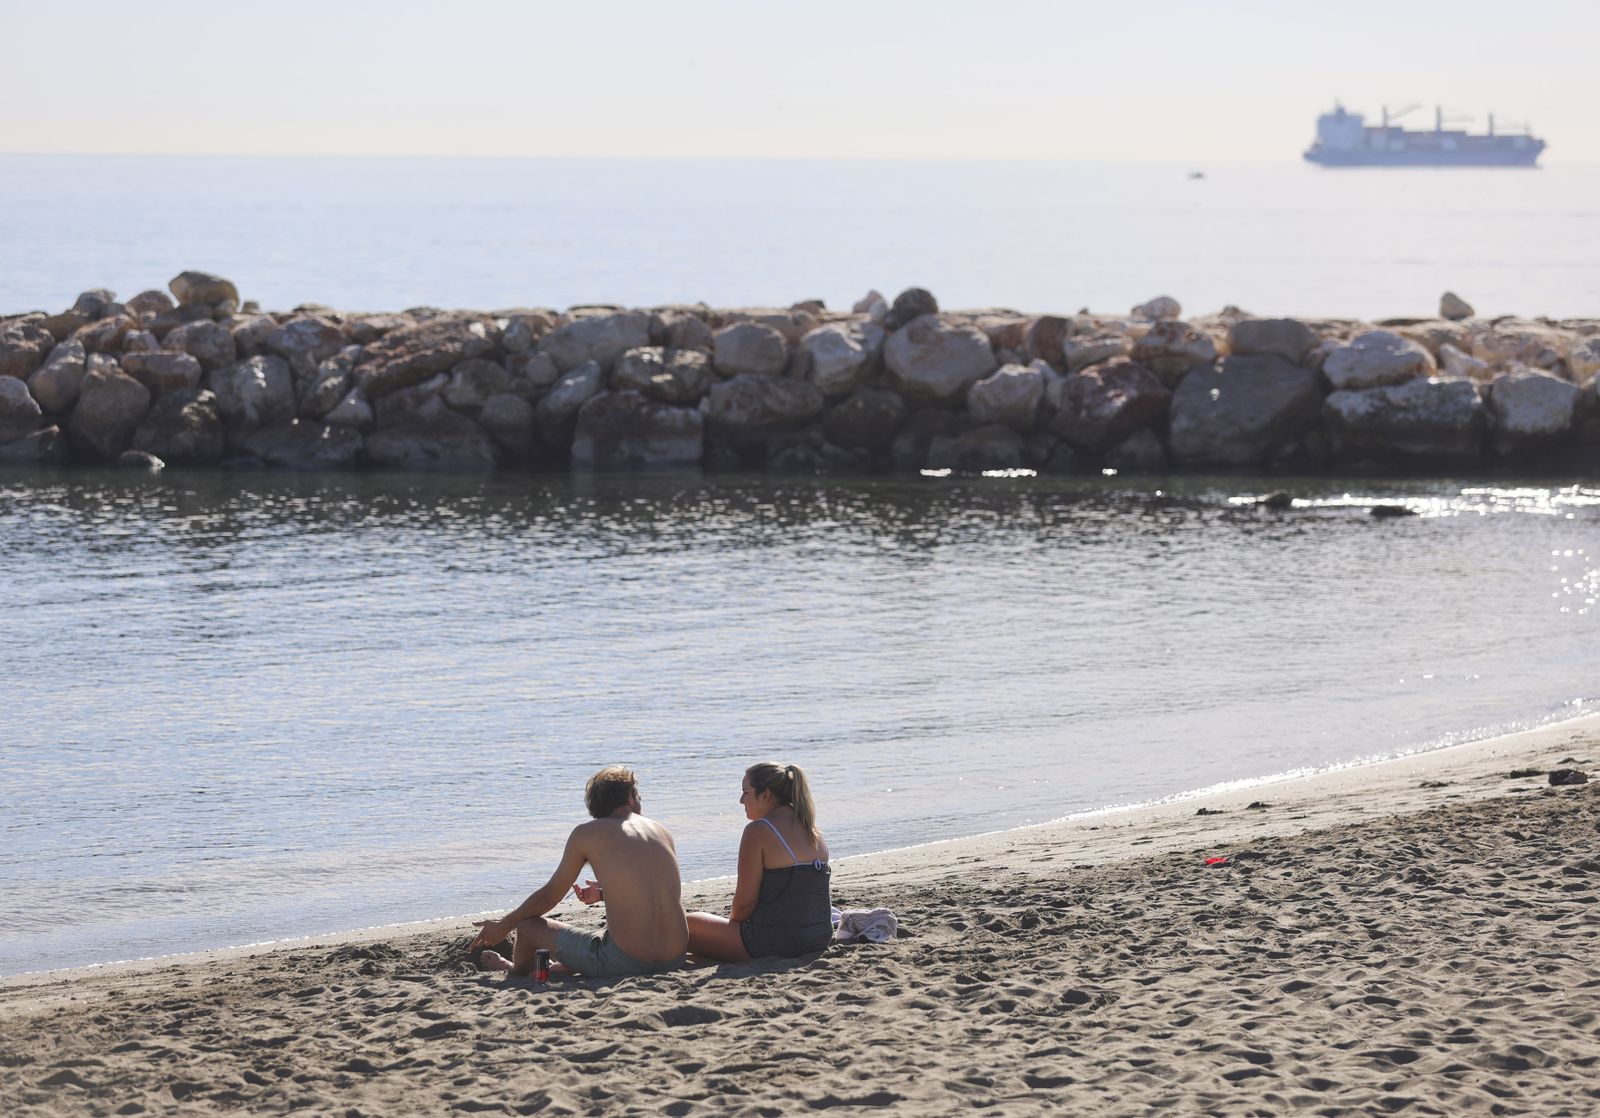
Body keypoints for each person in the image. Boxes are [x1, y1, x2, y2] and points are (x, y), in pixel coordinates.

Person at [469, 765, 688, 977]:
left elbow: (549, 896)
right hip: (675, 957)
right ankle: (562, 966)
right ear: (631, 796)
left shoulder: (586, 834)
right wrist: (604, 892)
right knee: (599, 939)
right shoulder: (661, 830)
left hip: (626, 961)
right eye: (639, 796)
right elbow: (651, 888)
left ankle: (518, 971)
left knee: (527, 926)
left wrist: (504, 925)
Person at [686, 762, 832, 961]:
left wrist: (731, 929)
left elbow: (745, 903)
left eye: (746, 793)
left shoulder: (759, 830)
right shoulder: (811, 827)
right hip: (818, 937)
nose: (741, 800)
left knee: (686, 925)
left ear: (766, 795)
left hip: (777, 942)